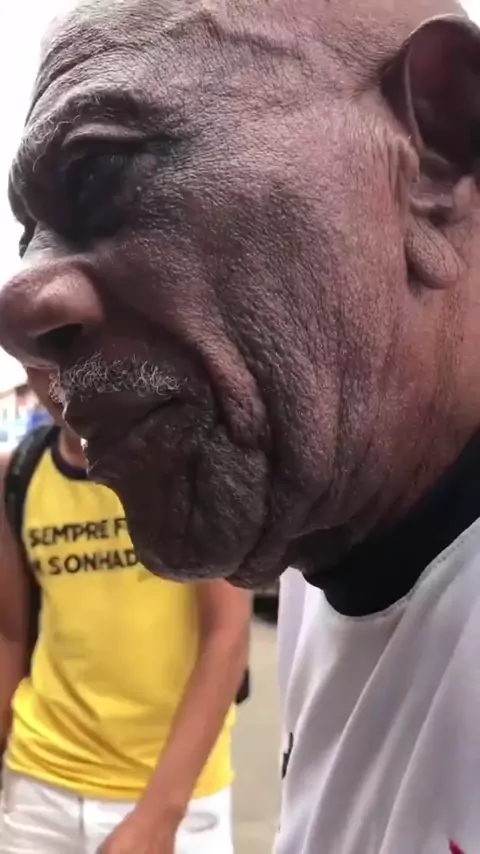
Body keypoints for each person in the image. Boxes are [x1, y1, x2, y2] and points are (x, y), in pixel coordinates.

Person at [0, 0, 479, 851]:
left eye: (104, 171)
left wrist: (160, 810)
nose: (21, 305)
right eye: (29, 236)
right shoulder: (316, 543)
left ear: (437, 140)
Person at [0, 368, 251, 854]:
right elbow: (10, 635)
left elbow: (227, 636)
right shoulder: (20, 476)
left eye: (67, 343)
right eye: (34, 355)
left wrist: (160, 814)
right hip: (39, 787)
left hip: (175, 793)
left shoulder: (185, 463)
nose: (56, 373)